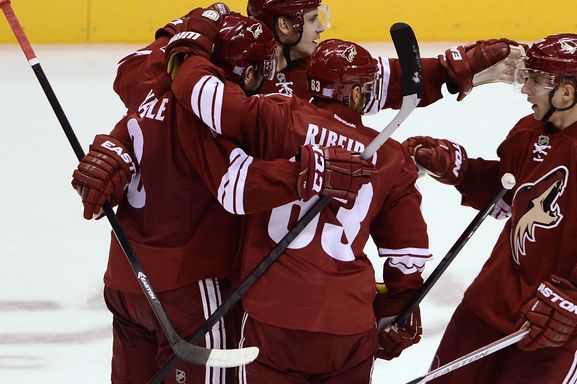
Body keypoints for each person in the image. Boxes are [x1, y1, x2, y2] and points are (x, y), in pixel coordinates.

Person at [71, 8, 375, 384]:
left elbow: (130, 70)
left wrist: (111, 155)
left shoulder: (150, 86)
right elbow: (237, 187)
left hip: (125, 282)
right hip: (188, 286)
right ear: (246, 72)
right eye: (261, 73)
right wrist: (307, 172)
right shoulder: (205, 116)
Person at [169, 31, 433, 381]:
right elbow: (408, 255)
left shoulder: (279, 116)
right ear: (354, 93)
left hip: (273, 316)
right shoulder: (390, 157)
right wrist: (397, 309)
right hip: (347, 325)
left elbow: (209, 106)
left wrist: (187, 55)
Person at [403, 33, 577, 383]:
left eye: (535, 80)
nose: (525, 89)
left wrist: (574, 292)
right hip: (488, 304)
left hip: (553, 326)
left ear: (565, 91)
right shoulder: (528, 131)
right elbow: (507, 197)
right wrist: (458, 169)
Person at [246, 0, 523, 111]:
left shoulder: (319, 66)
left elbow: (390, 80)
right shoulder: (231, 76)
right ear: (285, 25)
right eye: (311, 19)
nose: (320, 27)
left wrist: (452, 69)